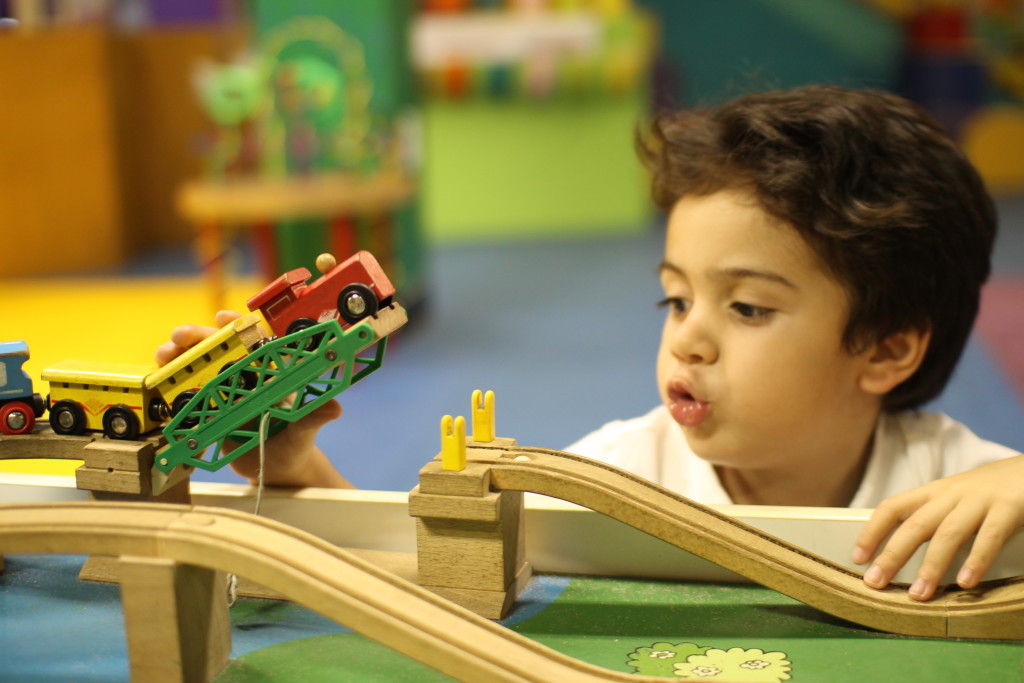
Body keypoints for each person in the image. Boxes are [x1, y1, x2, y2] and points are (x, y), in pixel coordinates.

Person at [156, 85, 1024, 603]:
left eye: (749, 309)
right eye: (674, 297)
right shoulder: (614, 476)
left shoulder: (954, 485)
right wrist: (300, 470)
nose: (690, 339)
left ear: (885, 349)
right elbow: (432, 577)